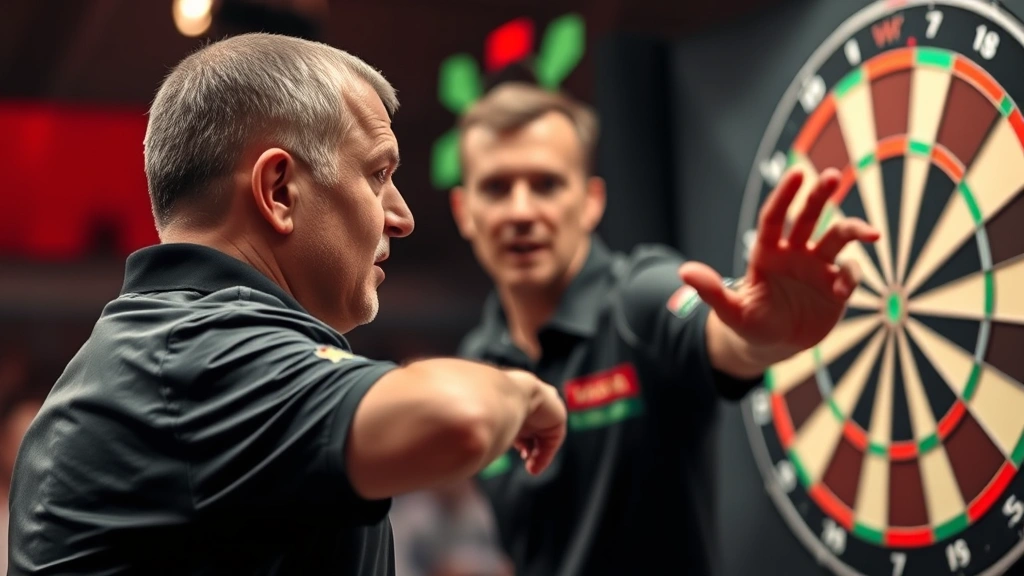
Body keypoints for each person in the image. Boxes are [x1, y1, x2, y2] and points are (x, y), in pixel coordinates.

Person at [7, 34, 567, 576]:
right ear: (278, 190)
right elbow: (459, 417)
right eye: (377, 175)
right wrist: (522, 390)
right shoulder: (198, 352)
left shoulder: (158, 348)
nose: (401, 216)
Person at [448, 82, 879, 576]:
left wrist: (766, 333)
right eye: (496, 188)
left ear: (591, 201)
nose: (521, 212)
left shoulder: (638, 299)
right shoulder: (477, 361)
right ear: (465, 212)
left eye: (547, 184)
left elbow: (721, 334)